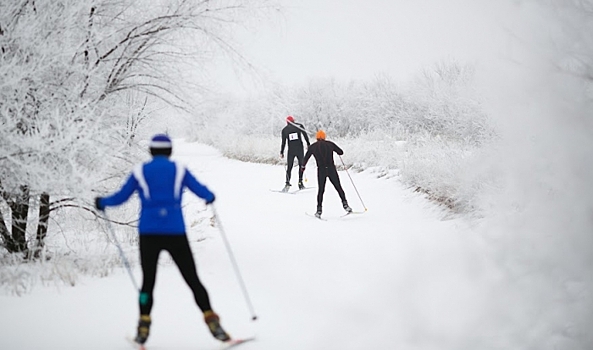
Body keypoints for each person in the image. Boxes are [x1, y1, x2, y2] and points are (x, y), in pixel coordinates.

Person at [94, 134, 231, 346]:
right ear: (169, 151)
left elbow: (121, 197)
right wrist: (209, 197)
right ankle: (212, 321)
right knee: (192, 279)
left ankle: (143, 327)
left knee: (148, 282)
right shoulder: (179, 170)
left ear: (151, 151)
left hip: (149, 233)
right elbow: (201, 190)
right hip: (175, 232)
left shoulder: (140, 171)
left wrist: (103, 202)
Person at [302, 130, 352, 218]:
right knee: (338, 187)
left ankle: (319, 210)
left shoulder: (312, 147)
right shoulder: (330, 144)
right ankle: (346, 205)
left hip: (321, 170)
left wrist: (302, 167)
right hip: (331, 169)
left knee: (321, 190)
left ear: (316, 138)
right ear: (324, 137)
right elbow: (341, 152)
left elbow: (305, 159)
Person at [280, 115, 310, 192]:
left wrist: (282, 152)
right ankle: (300, 182)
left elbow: (283, 142)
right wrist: (308, 144)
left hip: (291, 151)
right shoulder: (299, 126)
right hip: (299, 149)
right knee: (301, 165)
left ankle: (287, 183)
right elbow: (305, 135)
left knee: (289, 167)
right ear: (293, 120)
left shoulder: (285, 130)